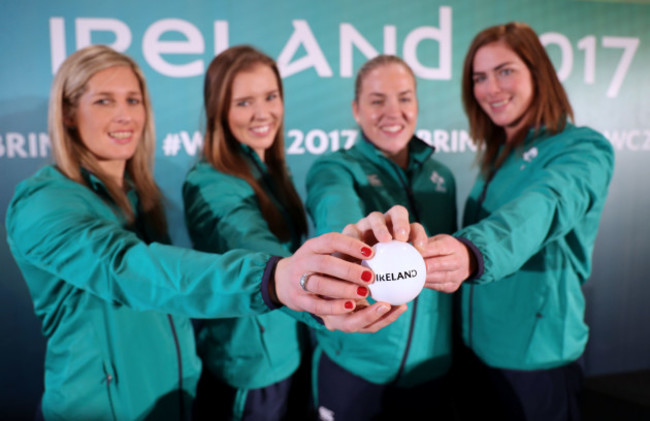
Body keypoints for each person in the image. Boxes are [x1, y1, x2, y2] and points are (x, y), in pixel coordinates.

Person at [4, 45, 417, 421]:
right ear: (67, 113)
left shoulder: (138, 197)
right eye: (104, 101)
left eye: (133, 100)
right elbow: (127, 267)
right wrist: (281, 279)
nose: (125, 115)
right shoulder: (43, 202)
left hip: (178, 396)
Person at [423, 22, 615, 420]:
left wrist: (472, 251)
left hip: (536, 358)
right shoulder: (497, 154)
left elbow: (545, 205)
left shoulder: (582, 148)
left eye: (505, 71)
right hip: (478, 348)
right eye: (480, 77)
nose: (491, 88)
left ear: (537, 72)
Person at [305, 55, 457, 420]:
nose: (393, 111)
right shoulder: (334, 169)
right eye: (377, 100)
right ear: (357, 110)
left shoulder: (442, 176)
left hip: (431, 368)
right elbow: (335, 210)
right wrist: (353, 235)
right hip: (354, 365)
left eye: (404, 98)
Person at [183, 45, 314, 420]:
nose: (263, 113)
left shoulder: (268, 166)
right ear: (218, 111)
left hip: (289, 350)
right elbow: (253, 242)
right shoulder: (209, 182)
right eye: (244, 102)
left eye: (271, 97)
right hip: (248, 370)